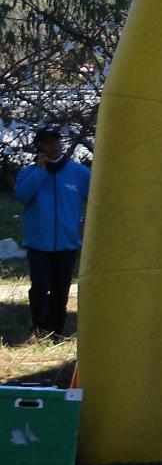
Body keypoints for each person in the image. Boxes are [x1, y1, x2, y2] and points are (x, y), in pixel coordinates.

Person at [15, 127, 89, 339]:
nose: (54, 146)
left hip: (67, 242)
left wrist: (85, 223)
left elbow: (97, 198)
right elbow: (22, 195)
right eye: (48, 142)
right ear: (40, 146)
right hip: (39, 242)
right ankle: (39, 328)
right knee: (39, 286)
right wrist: (40, 171)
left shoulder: (78, 172)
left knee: (60, 289)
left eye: (56, 141)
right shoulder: (29, 172)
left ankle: (57, 331)